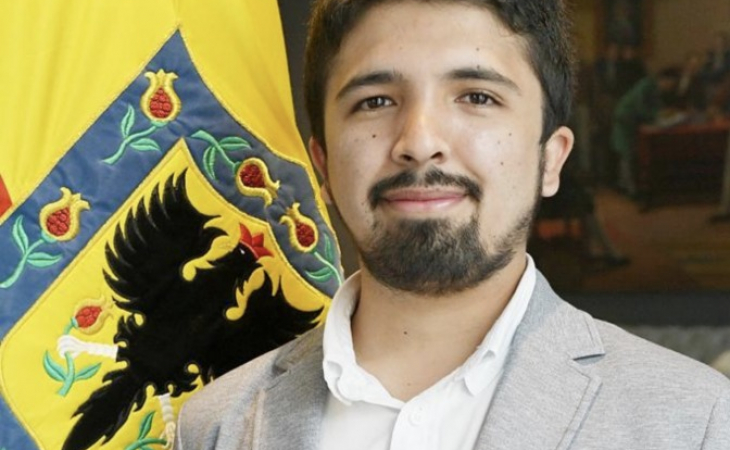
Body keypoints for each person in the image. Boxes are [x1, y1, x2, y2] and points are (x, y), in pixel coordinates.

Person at [176, 1, 730, 449]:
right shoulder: (215, 426)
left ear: (551, 159)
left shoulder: (694, 421)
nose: (419, 142)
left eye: (477, 97)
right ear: (322, 162)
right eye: (375, 101)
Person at [611, 67, 681, 197]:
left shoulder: (655, 89)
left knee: (631, 154)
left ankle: (629, 186)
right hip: (626, 120)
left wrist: (664, 113)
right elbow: (641, 106)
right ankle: (629, 189)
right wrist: (656, 116)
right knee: (627, 153)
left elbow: (656, 106)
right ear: (664, 80)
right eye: (670, 84)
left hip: (635, 122)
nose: (669, 88)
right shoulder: (645, 85)